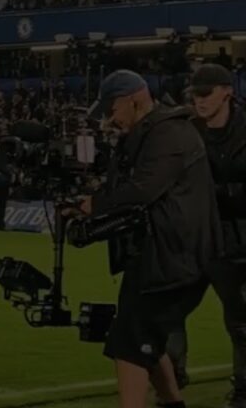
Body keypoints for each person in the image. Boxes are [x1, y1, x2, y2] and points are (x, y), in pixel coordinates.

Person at [76, 69, 220, 408]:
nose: (110, 120)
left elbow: (143, 190)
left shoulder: (168, 133)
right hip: (161, 253)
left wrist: (95, 205)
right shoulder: (152, 133)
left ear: (133, 100)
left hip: (176, 258)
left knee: (128, 341)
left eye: (112, 110)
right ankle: (172, 403)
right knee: (144, 337)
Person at [167, 64, 246, 403]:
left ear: (226, 90)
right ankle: (171, 380)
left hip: (237, 240)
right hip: (193, 238)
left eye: (206, 93)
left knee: (241, 322)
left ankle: (243, 389)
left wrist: (218, 194)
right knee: (167, 309)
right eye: (194, 94)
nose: (198, 100)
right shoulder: (184, 127)